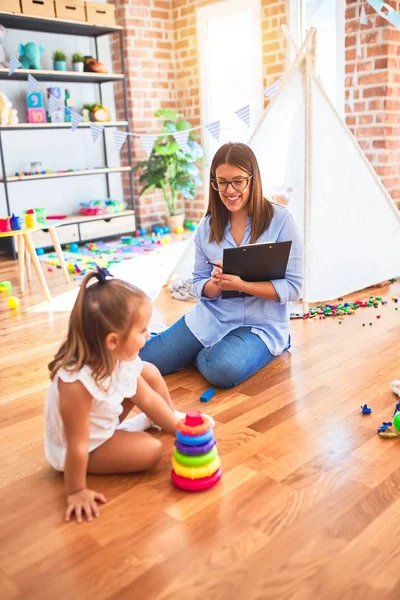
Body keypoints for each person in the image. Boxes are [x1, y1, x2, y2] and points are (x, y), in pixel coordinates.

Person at [140, 142, 304, 388]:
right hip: (211, 318)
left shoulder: (280, 221)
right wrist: (214, 286)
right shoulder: (207, 227)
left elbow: (294, 287)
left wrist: (243, 285)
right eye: (221, 182)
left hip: (260, 327)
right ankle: (188, 348)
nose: (229, 190)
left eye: (238, 181)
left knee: (223, 369)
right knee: (144, 360)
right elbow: (197, 282)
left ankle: (194, 354)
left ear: (252, 179)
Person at [45, 268, 193, 524]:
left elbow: (148, 399)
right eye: (142, 330)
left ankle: (152, 422)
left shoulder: (117, 357)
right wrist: (77, 490)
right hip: (86, 448)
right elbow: (78, 445)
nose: (148, 335)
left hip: (101, 420)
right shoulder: (75, 384)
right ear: (112, 341)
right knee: (152, 451)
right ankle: (136, 429)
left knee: (149, 372)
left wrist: (180, 431)